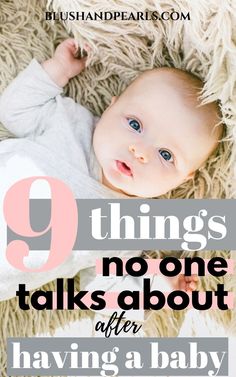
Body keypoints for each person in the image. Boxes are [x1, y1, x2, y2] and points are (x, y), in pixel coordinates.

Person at [0, 39, 222, 301]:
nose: (139, 151)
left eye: (165, 155)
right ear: (111, 106)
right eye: (135, 125)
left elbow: (99, 288)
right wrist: (58, 69)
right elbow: (14, 110)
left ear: (183, 180)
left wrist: (157, 288)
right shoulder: (70, 124)